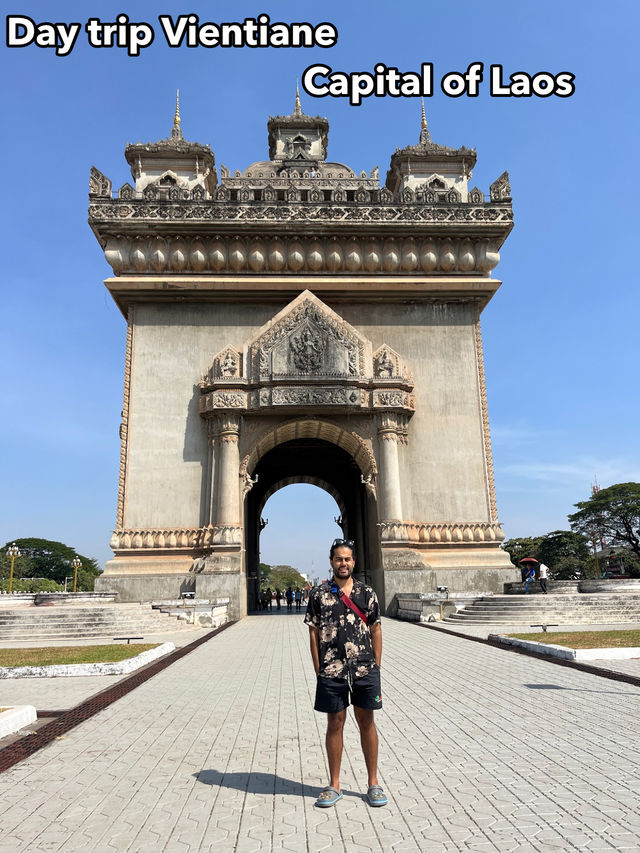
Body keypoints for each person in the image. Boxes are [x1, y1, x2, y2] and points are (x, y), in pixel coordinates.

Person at [305, 538, 387, 809]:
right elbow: (313, 633)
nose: (343, 563)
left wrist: (376, 665)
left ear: (354, 562)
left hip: (364, 668)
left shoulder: (367, 593)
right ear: (332, 562)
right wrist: (319, 669)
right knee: (335, 723)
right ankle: (334, 784)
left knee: (367, 721)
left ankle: (373, 783)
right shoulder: (318, 594)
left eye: (347, 559)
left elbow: (376, 629)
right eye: (339, 559)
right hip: (332, 670)